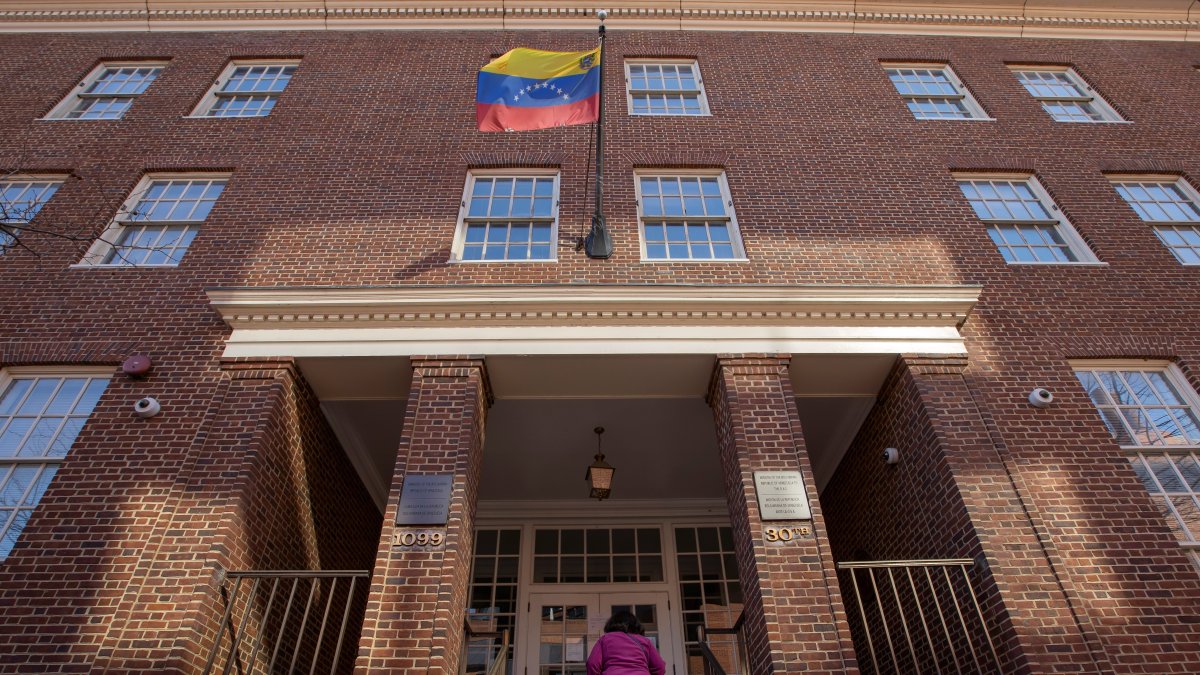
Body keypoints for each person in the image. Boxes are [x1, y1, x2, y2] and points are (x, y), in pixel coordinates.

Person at [585, 610, 667, 675]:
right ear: (635, 625)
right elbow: (659, 667)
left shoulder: (605, 639)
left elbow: (592, 664)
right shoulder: (645, 641)